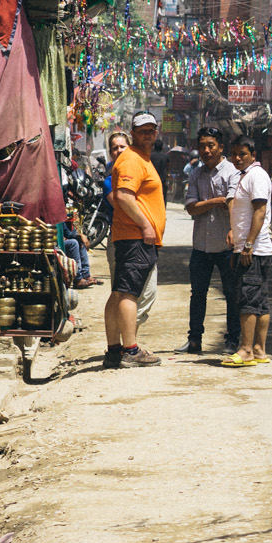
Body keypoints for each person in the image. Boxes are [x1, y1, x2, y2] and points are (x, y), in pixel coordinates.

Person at [103, 113, 165, 368]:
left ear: (156, 133)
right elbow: (124, 197)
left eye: (151, 130)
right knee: (129, 293)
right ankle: (130, 350)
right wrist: (146, 225)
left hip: (131, 237)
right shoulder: (131, 159)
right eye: (142, 131)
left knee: (120, 293)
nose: (147, 134)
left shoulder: (141, 158)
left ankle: (115, 350)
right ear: (133, 132)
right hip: (135, 237)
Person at [181, 126, 241, 356]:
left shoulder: (232, 172)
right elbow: (190, 208)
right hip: (201, 245)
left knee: (231, 294)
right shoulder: (195, 173)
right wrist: (216, 201)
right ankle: (194, 340)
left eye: (211, 145)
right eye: (202, 146)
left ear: (220, 147)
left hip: (227, 244)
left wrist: (207, 204)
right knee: (198, 294)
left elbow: (232, 202)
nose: (206, 150)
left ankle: (233, 340)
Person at [224, 136, 272, 366]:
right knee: (260, 300)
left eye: (242, 154)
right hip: (251, 247)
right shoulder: (245, 175)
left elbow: (260, 211)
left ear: (253, 155)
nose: (237, 158)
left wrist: (248, 245)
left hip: (254, 249)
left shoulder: (256, 175)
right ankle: (259, 350)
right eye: (234, 154)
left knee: (248, 299)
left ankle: (246, 350)